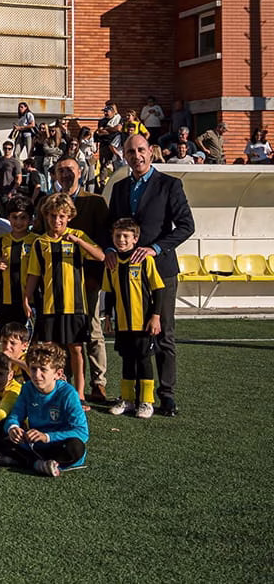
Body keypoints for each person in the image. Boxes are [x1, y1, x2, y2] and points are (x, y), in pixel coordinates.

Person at [107, 135, 194, 416]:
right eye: (130, 152)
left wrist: (155, 248)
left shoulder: (170, 185)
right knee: (132, 337)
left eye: (141, 150)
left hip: (161, 271)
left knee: (163, 334)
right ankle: (131, 396)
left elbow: (185, 226)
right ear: (125, 155)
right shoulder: (120, 188)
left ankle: (166, 394)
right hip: (125, 274)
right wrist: (110, 248)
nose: (136, 156)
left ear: (151, 152)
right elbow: (112, 226)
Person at [23, 193, 105, 408]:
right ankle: (54, 390)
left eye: (61, 216)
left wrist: (79, 241)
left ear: (69, 217)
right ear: (46, 216)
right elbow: (34, 274)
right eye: (52, 216)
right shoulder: (41, 243)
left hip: (75, 306)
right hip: (50, 306)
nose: (57, 221)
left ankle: (79, 394)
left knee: (76, 349)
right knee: (50, 350)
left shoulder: (77, 236)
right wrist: (26, 297)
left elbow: (101, 256)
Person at [51, 158, 112, 402]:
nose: (66, 174)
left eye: (70, 170)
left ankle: (99, 382)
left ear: (80, 172)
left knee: (93, 330)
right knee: (63, 333)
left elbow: (104, 242)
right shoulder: (47, 201)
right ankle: (64, 379)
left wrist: (97, 278)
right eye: (61, 171)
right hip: (56, 281)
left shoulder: (95, 202)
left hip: (87, 280)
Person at [103, 218, 166, 419]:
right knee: (127, 360)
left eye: (126, 236)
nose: (121, 240)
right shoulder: (112, 263)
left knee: (144, 361)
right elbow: (110, 293)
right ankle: (127, 399)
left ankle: (146, 402)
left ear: (135, 239)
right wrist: (107, 316)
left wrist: (155, 317)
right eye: (117, 236)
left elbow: (158, 290)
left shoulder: (145, 260)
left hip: (143, 323)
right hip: (123, 323)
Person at [0, 342, 89, 476]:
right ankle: (38, 464)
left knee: (75, 447)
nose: (36, 374)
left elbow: (82, 432)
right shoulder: (27, 388)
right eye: (33, 369)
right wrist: (13, 428)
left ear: (58, 374)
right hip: (34, 443)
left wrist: (47, 437)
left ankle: (29, 461)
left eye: (43, 370)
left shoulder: (68, 393)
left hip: (58, 445)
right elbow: (15, 415)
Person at [0, 197, 39, 327]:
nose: (18, 222)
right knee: (7, 337)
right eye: (14, 217)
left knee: (29, 339)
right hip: (7, 300)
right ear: (9, 218)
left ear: (30, 219)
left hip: (32, 299)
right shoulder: (2, 240)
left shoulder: (36, 241)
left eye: (23, 218)